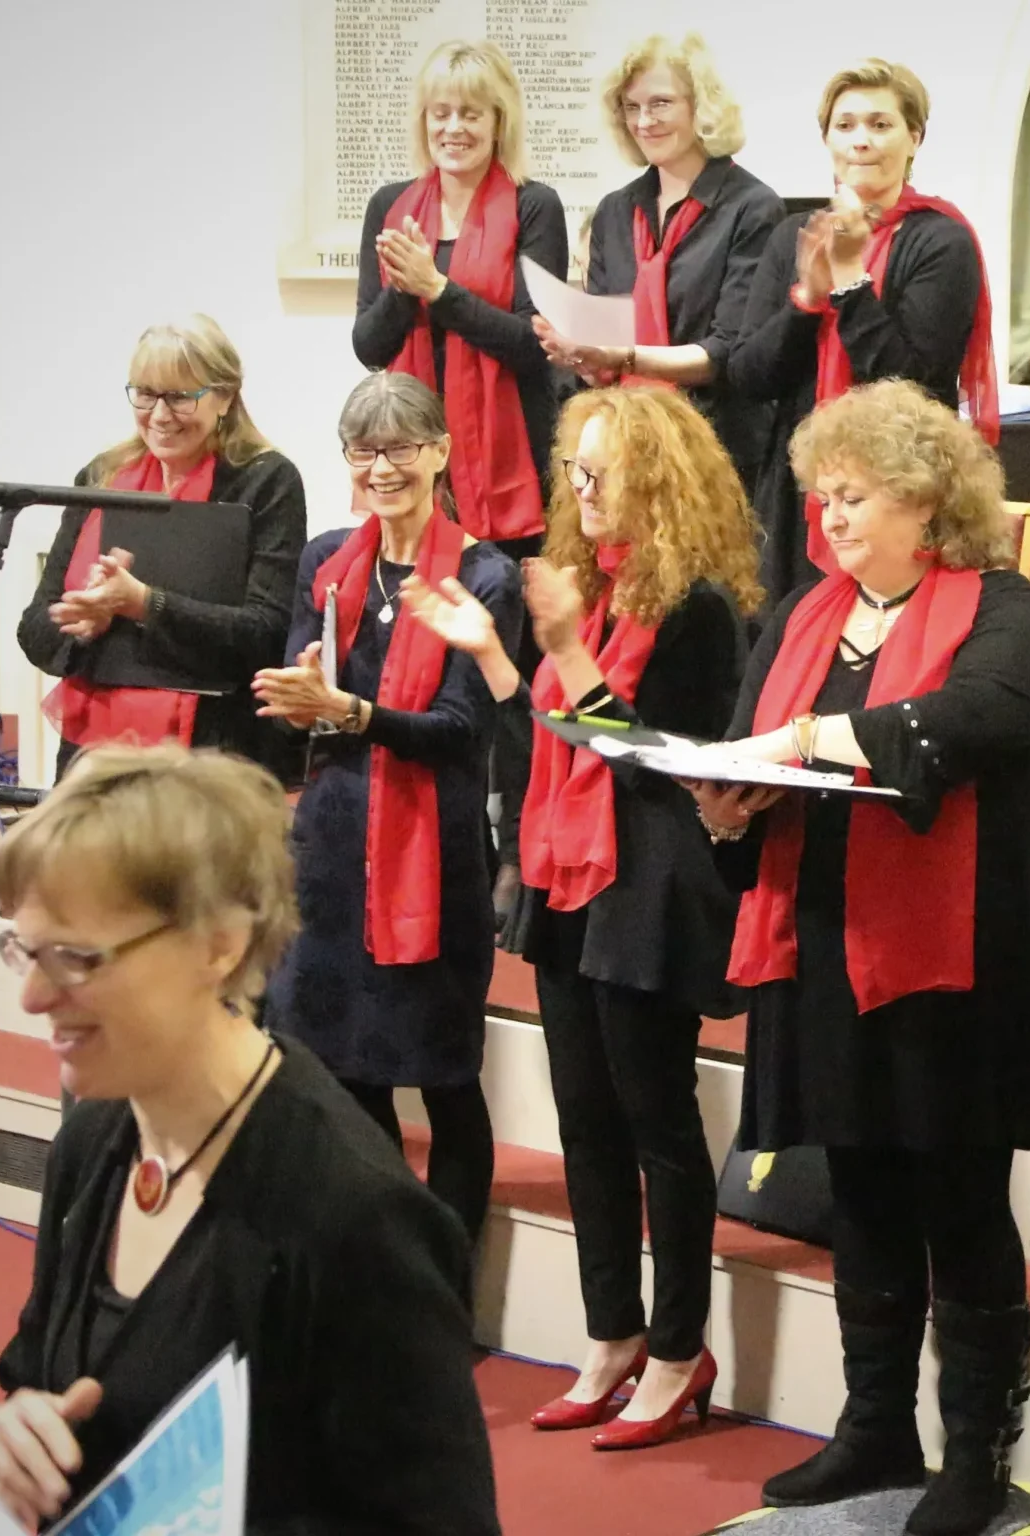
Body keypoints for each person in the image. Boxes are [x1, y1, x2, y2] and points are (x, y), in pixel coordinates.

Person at [692, 381, 1030, 1536]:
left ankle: (976, 1453)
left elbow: (980, 720)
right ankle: (874, 1428)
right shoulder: (806, 616)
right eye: (820, 497)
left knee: (958, 1202)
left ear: (924, 500)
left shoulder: (1003, 612)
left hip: (955, 965)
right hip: (823, 943)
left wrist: (808, 737)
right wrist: (726, 813)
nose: (829, 519)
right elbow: (756, 757)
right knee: (855, 1188)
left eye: (852, 497)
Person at [0, 746, 498, 1535]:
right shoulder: (93, 1141)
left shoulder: (355, 1216)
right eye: (23, 947)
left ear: (218, 944)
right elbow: (36, 1372)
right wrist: (17, 1429)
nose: (35, 993)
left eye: (77, 957)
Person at [402, 386, 762, 1450]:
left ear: (657, 479)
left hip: (650, 880)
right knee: (582, 1119)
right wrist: (495, 654)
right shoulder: (589, 594)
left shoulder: (697, 603)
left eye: (599, 473)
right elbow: (547, 733)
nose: (580, 492)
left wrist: (560, 650)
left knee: (656, 1124)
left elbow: (657, 758)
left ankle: (677, 1346)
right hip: (567, 874)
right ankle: (610, 1333)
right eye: (574, 471)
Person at [253, 372, 523, 1261]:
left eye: (401, 447)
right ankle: (379, 1270)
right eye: (363, 451)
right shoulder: (328, 559)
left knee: (444, 1080)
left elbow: (459, 729)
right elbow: (311, 675)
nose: (381, 467)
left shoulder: (485, 574)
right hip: (329, 844)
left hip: (433, 857)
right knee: (335, 1065)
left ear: (441, 452)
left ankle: (441, 1286)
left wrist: (349, 713)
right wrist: (303, 698)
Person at [354, 39, 567, 908]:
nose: (454, 128)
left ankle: (516, 851)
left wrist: (439, 288)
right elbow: (370, 347)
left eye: (470, 113)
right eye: (440, 112)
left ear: (497, 122)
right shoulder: (390, 208)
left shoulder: (536, 207)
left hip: (513, 476)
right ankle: (428, 838)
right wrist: (407, 289)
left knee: (508, 669)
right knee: (414, 660)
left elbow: (533, 344)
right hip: (412, 470)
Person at [727, 61, 1002, 608]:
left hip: (903, 493)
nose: (861, 141)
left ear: (914, 137)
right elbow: (748, 375)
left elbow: (913, 382)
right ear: (826, 137)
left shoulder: (941, 239)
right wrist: (806, 302)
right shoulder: (793, 236)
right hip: (799, 494)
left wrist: (851, 282)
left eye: (880, 125)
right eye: (845, 125)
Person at [17, 316, 308, 775]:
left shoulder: (265, 481)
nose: (159, 415)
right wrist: (83, 623)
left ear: (225, 397)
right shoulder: (102, 477)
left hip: (215, 760)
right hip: (94, 760)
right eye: (146, 394)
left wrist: (146, 604)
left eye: (179, 397)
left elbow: (267, 633)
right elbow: (33, 630)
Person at [538, 33, 785, 485]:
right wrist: (583, 359)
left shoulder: (752, 207)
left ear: (701, 107)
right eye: (632, 108)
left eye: (661, 103)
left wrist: (623, 356)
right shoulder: (615, 210)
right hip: (625, 448)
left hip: (716, 454)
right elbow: (605, 336)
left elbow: (726, 353)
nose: (644, 121)